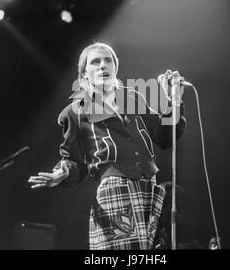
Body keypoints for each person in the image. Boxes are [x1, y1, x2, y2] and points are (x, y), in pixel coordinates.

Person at [28, 42, 187, 250]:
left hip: (149, 187)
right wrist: (63, 173)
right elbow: (73, 159)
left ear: (115, 68)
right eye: (95, 62)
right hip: (115, 190)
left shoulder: (133, 98)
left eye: (108, 61)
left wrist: (173, 100)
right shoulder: (75, 111)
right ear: (84, 74)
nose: (103, 65)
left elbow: (164, 136)